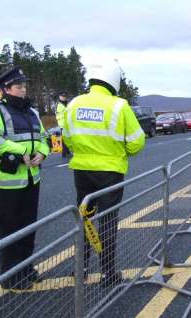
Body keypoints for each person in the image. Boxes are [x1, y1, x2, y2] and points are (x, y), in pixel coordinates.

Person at [63, 60, 145, 286]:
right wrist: (120, 152)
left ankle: (82, 268)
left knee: (84, 218)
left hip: (81, 170)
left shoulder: (74, 103)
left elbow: (67, 136)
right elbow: (137, 142)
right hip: (110, 172)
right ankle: (109, 273)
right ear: (113, 81)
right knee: (108, 221)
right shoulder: (119, 105)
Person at [0, 67, 50, 290]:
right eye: (18, 86)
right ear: (5, 89)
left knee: (28, 228)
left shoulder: (31, 112)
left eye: (24, 86)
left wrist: (43, 152)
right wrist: (20, 151)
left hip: (32, 179)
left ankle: (26, 269)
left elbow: (43, 138)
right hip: (7, 182)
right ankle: (11, 276)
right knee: (9, 230)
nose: (23, 90)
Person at [55, 91, 70, 158]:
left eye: (65, 96)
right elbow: (66, 113)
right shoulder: (59, 105)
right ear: (59, 96)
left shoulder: (66, 103)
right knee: (64, 139)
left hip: (67, 124)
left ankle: (67, 151)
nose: (64, 97)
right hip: (63, 124)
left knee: (67, 138)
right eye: (62, 96)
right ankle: (64, 153)